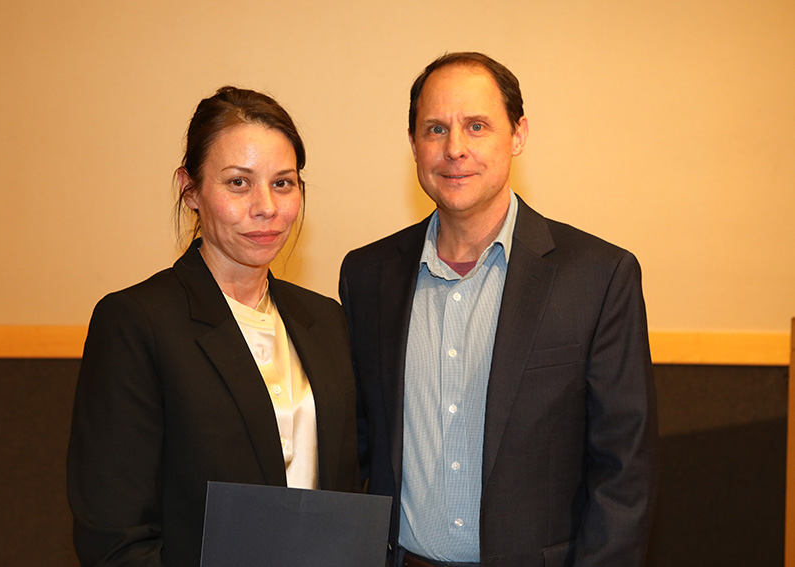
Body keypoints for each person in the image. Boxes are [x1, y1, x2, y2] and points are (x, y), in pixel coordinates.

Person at [339, 52, 658, 567]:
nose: (455, 149)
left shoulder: (598, 276)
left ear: (518, 135)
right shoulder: (367, 275)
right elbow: (351, 449)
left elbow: (624, 474)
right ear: (414, 145)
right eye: (435, 129)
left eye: (477, 126)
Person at [68, 86, 359, 567]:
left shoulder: (325, 319)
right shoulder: (137, 323)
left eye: (283, 183)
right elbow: (115, 540)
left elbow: (347, 488)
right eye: (238, 183)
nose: (266, 206)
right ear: (191, 190)